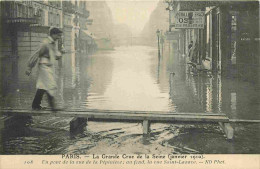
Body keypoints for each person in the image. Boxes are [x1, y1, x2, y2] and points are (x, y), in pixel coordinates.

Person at [26, 27, 64, 111]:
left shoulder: (53, 43)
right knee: (50, 84)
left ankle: (35, 105)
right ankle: (53, 106)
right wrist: (29, 67)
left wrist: (59, 54)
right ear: (53, 34)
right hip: (44, 66)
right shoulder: (45, 43)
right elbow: (36, 55)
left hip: (49, 66)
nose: (59, 37)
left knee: (42, 86)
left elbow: (54, 55)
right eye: (58, 35)